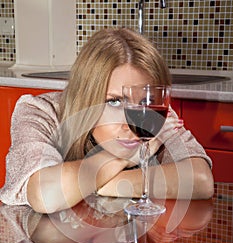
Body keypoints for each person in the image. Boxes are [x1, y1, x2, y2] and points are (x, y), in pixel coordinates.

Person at [0, 27, 214, 213]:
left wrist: (110, 184)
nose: (134, 122)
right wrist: (127, 157)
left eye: (143, 101)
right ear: (86, 98)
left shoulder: (153, 114)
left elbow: (201, 180)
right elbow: (45, 194)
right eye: (114, 102)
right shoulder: (40, 112)